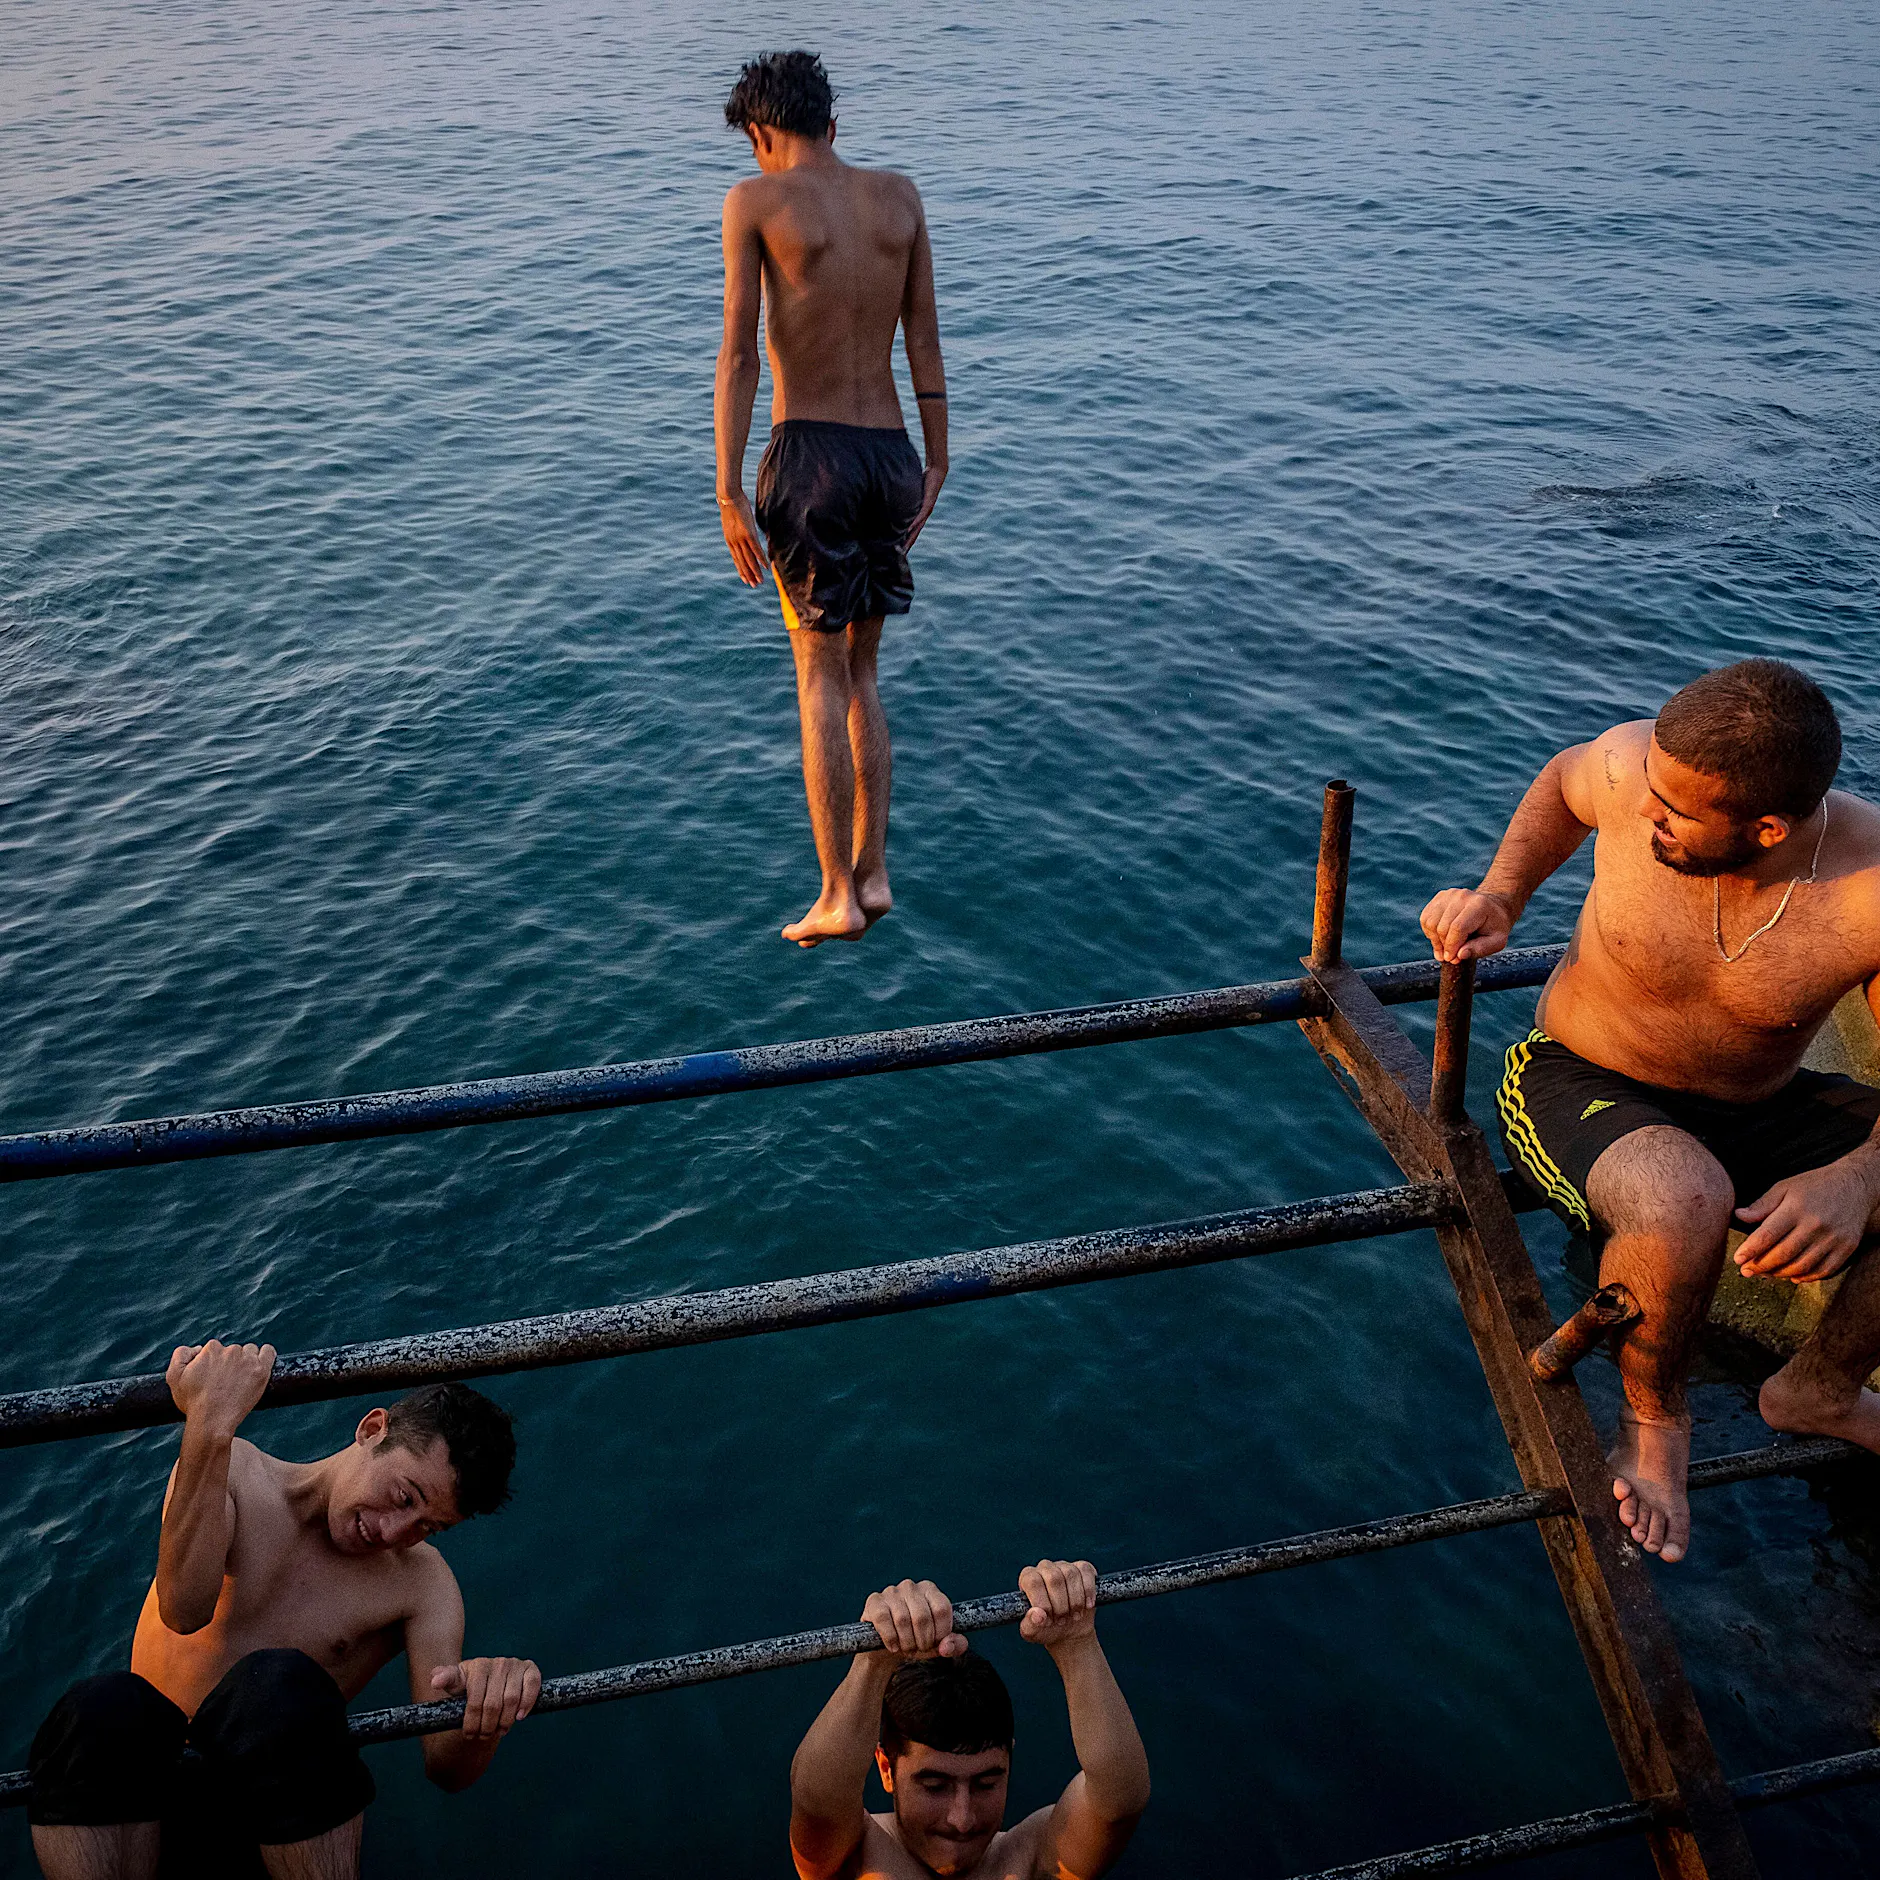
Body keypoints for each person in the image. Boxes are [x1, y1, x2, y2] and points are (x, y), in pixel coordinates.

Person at [1420, 658, 1880, 1565]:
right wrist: (1500, 893)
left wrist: (1858, 1176)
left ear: (1768, 828)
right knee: (1680, 1197)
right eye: (1650, 791)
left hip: (1761, 1102)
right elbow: (1565, 779)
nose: (1644, 813)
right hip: (1579, 1076)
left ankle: (1820, 1389)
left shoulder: (1868, 893)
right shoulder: (1634, 769)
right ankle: (1655, 1420)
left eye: (1676, 811)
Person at [28, 1339, 540, 1879]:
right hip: (147, 1803)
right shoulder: (237, 1473)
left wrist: (485, 1711)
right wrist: (208, 1423)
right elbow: (183, 1608)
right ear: (371, 1430)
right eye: (403, 1497)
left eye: (428, 1527)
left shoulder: (422, 1584)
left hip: (275, 1820)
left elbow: (446, 1768)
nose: (392, 1533)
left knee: (280, 1686)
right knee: (100, 1708)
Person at [714, 50, 948, 947]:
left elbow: (739, 354)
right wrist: (937, 459)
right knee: (863, 672)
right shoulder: (900, 197)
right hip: (891, 455)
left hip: (809, 456)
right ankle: (875, 872)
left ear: (764, 134)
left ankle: (834, 894)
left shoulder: (755, 201)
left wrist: (730, 488)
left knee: (816, 674)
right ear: (833, 126)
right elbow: (923, 336)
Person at [789, 1560, 1149, 1879]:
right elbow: (816, 1800)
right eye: (935, 1786)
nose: (962, 1819)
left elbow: (1118, 1801)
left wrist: (1077, 1642)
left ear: (1010, 1762)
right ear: (886, 1768)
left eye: (986, 1783)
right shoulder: (852, 1859)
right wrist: (872, 1663)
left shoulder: (1035, 1860)